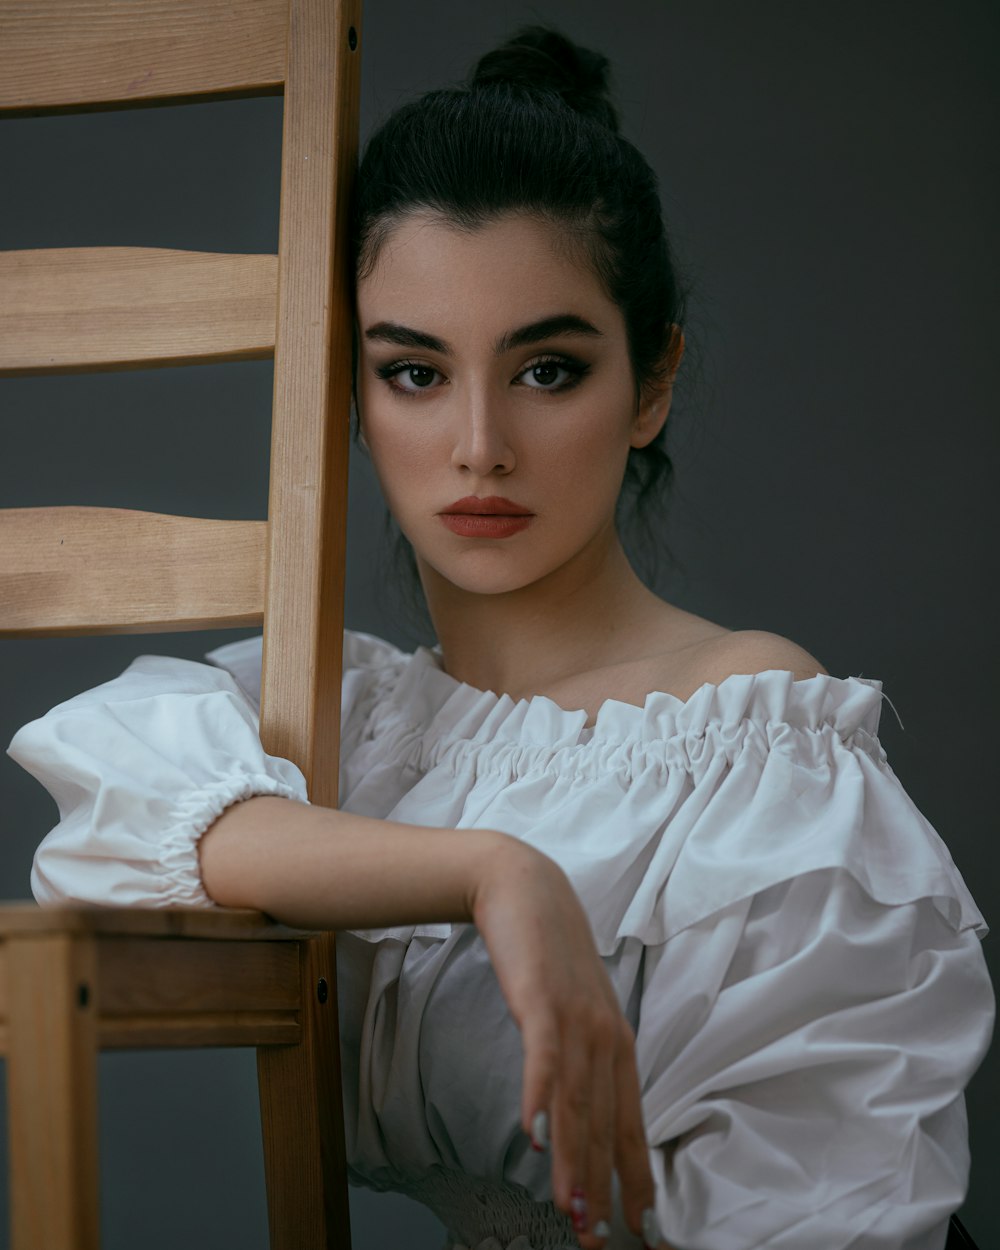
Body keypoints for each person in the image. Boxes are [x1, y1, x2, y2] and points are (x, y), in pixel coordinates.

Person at [7, 26, 994, 1250]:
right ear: (352, 404)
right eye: (415, 373)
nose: (479, 443)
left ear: (651, 384)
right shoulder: (347, 722)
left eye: (546, 368)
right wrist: (492, 870)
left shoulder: (750, 736)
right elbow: (113, 821)